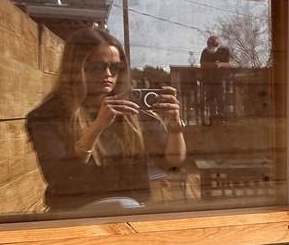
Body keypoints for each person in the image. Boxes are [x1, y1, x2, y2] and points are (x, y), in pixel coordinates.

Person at [25, 25, 186, 215]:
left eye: (115, 67)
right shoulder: (49, 115)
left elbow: (172, 163)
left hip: (131, 212)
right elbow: (59, 178)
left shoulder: (132, 110)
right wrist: (97, 127)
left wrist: (175, 127)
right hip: (74, 216)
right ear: (75, 68)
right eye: (96, 67)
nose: (108, 74)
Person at [199, 33, 234, 124]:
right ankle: (211, 118)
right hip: (208, 81)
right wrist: (212, 65)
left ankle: (222, 118)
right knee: (209, 100)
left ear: (217, 45)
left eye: (213, 46)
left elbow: (230, 64)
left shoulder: (224, 51)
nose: (211, 48)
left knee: (221, 100)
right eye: (209, 45)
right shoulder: (205, 52)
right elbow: (202, 64)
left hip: (221, 81)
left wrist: (220, 65)